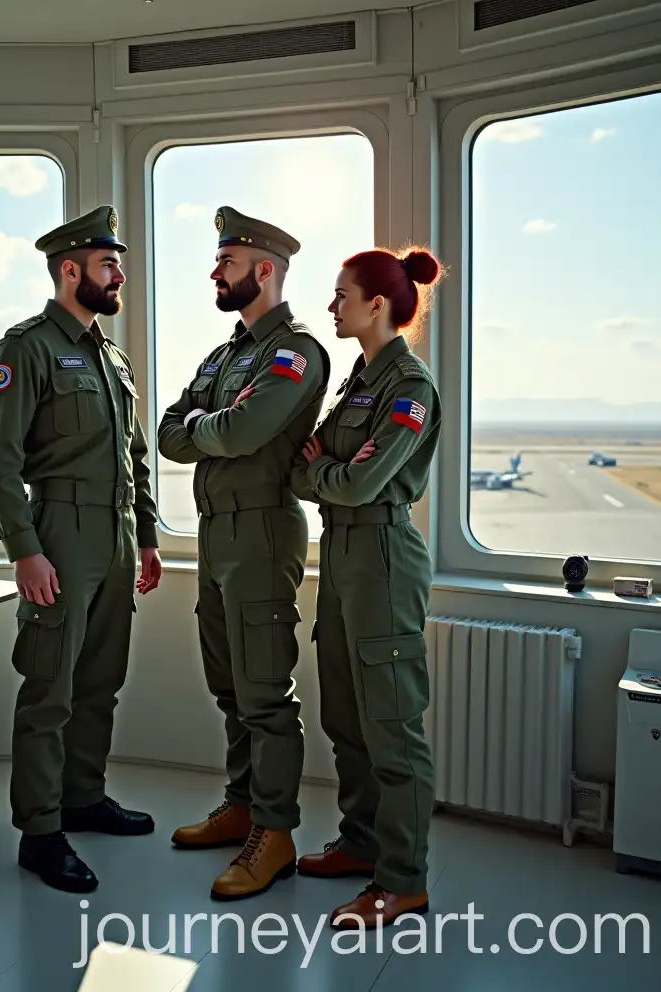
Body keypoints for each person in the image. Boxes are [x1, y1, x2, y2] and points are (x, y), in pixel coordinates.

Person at [0, 205, 162, 895]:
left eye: (119, 265)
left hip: (113, 538)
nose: (119, 276)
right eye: (109, 265)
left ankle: (82, 797)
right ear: (71, 269)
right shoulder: (25, 349)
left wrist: (144, 536)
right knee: (50, 686)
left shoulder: (110, 355)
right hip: (59, 535)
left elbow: (135, 458)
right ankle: (41, 831)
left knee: (100, 681)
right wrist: (25, 548)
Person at [158, 206, 330, 900]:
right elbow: (172, 433)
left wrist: (210, 425)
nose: (215, 273)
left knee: (265, 694)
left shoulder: (296, 352)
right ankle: (242, 806)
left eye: (226, 263)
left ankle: (277, 833)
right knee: (229, 687)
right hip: (215, 533)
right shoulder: (225, 356)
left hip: (262, 534)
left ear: (264, 270)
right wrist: (211, 424)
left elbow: (243, 432)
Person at [290, 245, 442, 930]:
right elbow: (304, 466)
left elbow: (354, 481)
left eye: (342, 294)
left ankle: (403, 880)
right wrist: (326, 471)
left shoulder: (410, 387)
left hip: (382, 554)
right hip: (343, 554)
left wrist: (326, 472)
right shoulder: (358, 381)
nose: (332, 307)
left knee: (392, 730)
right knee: (346, 717)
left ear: (377, 305)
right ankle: (361, 844)